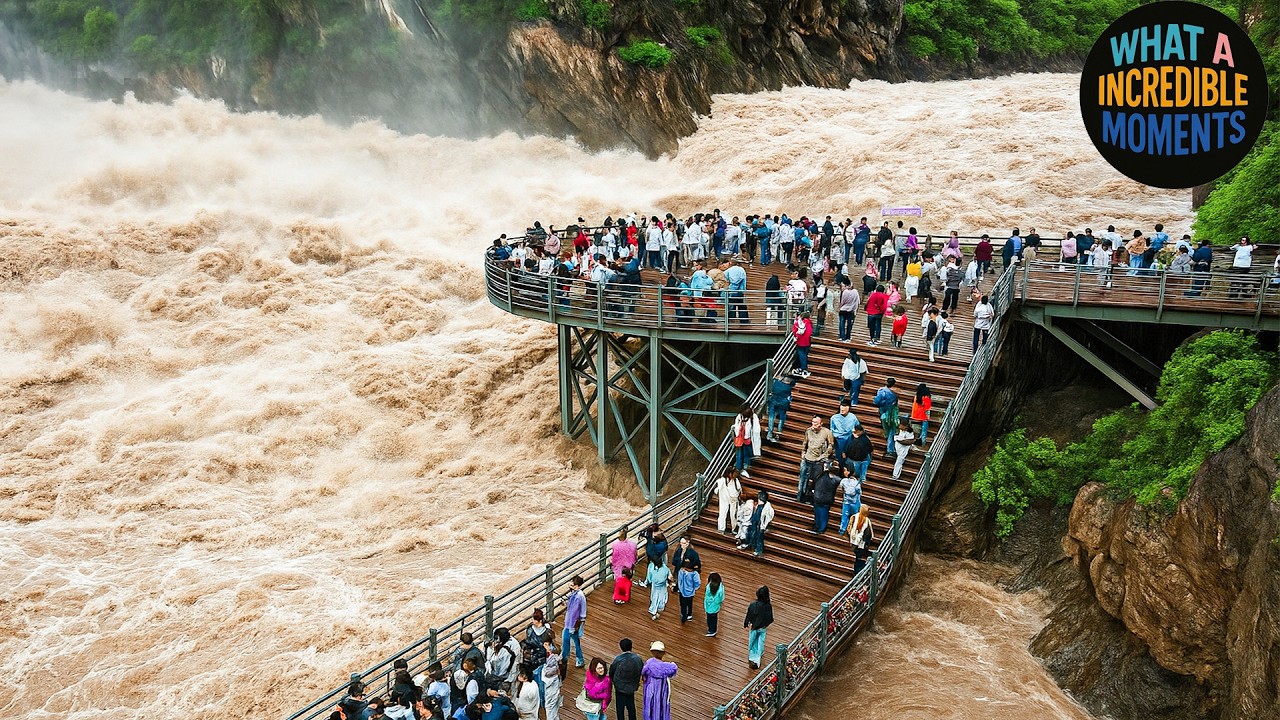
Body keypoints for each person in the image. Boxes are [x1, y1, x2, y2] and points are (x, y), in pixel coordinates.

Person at [799, 416, 834, 500]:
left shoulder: (827, 432)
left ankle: (809, 497)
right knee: (802, 478)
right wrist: (803, 452)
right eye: (813, 422)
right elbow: (805, 442)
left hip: (818, 460)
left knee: (814, 480)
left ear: (821, 424)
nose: (814, 424)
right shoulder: (808, 431)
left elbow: (831, 445)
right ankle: (800, 495)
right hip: (807, 458)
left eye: (816, 423)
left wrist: (824, 456)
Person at [640, 642, 678, 720]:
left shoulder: (649, 662)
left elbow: (643, 673)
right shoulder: (666, 666)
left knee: (650, 706)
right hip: (662, 690)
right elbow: (674, 668)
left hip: (650, 688)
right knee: (661, 706)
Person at [609, 639, 643, 720]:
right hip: (632, 687)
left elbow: (611, 671)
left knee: (620, 708)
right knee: (631, 706)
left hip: (620, 688)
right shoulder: (637, 658)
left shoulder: (618, 659)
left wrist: (613, 681)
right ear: (631, 646)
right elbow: (641, 670)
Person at [743, 586, 774, 670]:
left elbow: (749, 615)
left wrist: (746, 622)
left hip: (754, 627)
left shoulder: (753, 605)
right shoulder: (768, 606)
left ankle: (752, 657)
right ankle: (757, 657)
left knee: (752, 641)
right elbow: (770, 618)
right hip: (762, 627)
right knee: (760, 641)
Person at [561, 576, 587, 669]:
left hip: (572, 623)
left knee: (567, 640)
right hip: (572, 623)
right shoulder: (577, 594)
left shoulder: (578, 596)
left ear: (576, 585)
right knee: (573, 642)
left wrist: (572, 626)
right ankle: (578, 659)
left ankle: (565, 658)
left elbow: (574, 612)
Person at [487, 628, 522, 693]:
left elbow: (502, 670)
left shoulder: (507, 650)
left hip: (507, 677)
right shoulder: (509, 641)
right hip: (508, 672)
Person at [742, 490, 776, 557]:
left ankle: (758, 550)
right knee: (752, 533)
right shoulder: (758, 506)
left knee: (759, 537)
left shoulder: (766, 507)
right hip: (755, 522)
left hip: (760, 524)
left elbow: (770, 515)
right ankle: (750, 544)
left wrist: (764, 523)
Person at [811, 461, 841, 534]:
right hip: (826, 499)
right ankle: (821, 529)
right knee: (824, 515)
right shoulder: (836, 480)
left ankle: (817, 527)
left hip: (817, 497)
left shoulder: (821, 475)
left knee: (817, 514)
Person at [731, 405, 762, 472]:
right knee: (746, 454)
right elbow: (756, 430)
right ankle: (745, 466)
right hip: (746, 438)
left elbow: (737, 426)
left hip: (740, 438)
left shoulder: (740, 416)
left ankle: (739, 468)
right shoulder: (752, 417)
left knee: (740, 454)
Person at [873, 378, 900, 456]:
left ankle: (887, 436)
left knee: (886, 426)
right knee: (892, 429)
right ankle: (890, 448)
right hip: (891, 413)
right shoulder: (894, 393)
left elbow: (876, 401)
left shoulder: (881, 390)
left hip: (882, 411)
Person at [837, 460, 864, 536]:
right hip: (855, 502)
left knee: (845, 516)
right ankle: (854, 530)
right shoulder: (857, 483)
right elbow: (859, 492)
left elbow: (841, 488)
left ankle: (842, 530)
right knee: (855, 517)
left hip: (846, 502)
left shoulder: (843, 481)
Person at [766, 373, 796, 442]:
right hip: (783, 403)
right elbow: (793, 384)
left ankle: (770, 433)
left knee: (771, 416)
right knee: (782, 418)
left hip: (773, 401)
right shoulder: (788, 388)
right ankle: (778, 433)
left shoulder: (776, 383)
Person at [830, 401, 860, 466]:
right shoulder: (834, 418)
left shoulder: (853, 417)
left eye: (843, 410)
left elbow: (857, 426)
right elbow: (831, 430)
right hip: (839, 439)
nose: (842, 411)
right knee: (840, 455)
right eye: (841, 410)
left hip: (850, 438)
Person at [714, 468, 743, 535]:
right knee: (722, 514)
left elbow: (739, 490)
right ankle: (721, 529)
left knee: (733, 515)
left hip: (733, 501)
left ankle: (734, 528)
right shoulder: (722, 481)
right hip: (724, 500)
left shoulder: (736, 481)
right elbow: (716, 489)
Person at [541, 638, 562, 720]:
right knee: (553, 705)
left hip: (552, 683)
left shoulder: (553, 658)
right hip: (551, 683)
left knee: (549, 705)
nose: (544, 646)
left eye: (546, 645)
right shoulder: (549, 656)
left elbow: (547, 672)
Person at [850, 506, 874, 574]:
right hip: (861, 544)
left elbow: (853, 531)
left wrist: (853, 542)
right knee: (859, 559)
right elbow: (862, 533)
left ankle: (857, 572)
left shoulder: (855, 517)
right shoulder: (866, 520)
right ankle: (858, 573)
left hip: (856, 543)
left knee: (858, 559)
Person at [676, 558, 701, 623]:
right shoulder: (693, 573)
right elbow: (697, 583)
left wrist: (694, 588)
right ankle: (688, 615)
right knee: (687, 604)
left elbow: (697, 582)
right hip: (687, 592)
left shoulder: (692, 573)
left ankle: (684, 616)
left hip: (685, 592)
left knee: (685, 605)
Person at [791, 311, 814, 377]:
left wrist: (796, 337)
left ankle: (803, 368)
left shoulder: (799, 323)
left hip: (800, 341)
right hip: (807, 341)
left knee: (801, 355)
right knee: (805, 354)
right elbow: (810, 332)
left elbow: (795, 331)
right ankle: (803, 367)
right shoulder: (809, 323)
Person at [704, 572, 725, 637]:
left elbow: (706, 595)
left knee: (709, 619)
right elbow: (722, 598)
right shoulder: (721, 588)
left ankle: (711, 630)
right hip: (715, 608)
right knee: (714, 619)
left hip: (708, 607)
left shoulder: (708, 586)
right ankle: (713, 630)